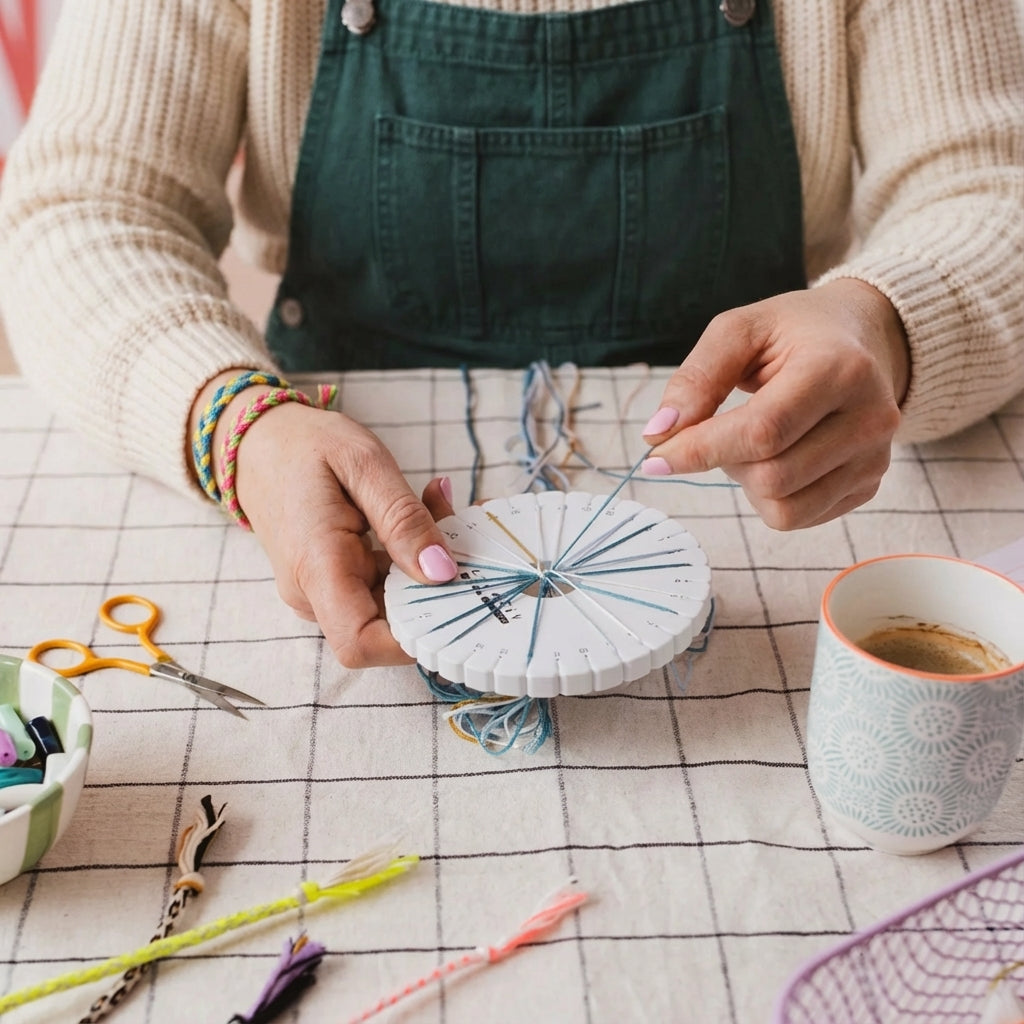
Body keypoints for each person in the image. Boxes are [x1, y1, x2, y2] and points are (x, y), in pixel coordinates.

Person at [0, 0, 1021, 671]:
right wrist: (236, 425)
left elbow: (989, 185)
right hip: (324, 523)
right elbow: (81, 210)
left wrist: (881, 322)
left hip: (768, 514)